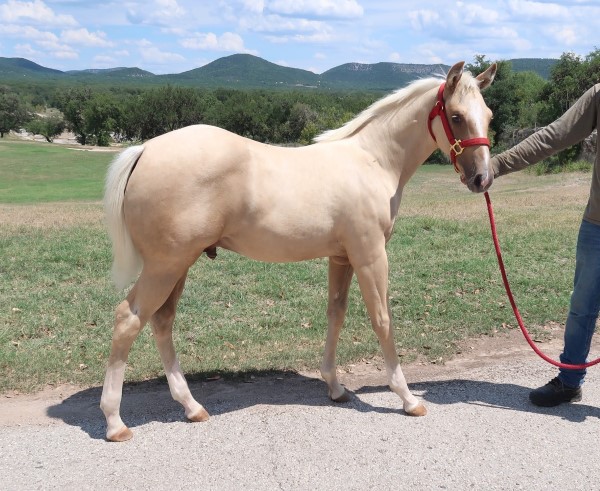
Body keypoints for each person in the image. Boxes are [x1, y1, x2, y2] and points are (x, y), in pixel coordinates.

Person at [491, 83, 600, 407]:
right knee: (581, 309)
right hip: (597, 224)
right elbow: (553, 136)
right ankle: (569, 382)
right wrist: (496, 164)